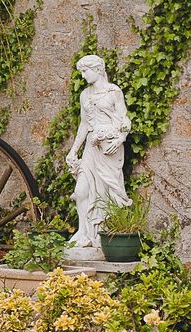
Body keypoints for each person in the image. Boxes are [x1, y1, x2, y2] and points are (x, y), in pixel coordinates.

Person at [66, 54, 132, 248]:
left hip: (109, 148)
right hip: (90, 147)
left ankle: (102, 236)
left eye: (85, 72)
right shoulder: (84, 95)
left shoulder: (113, 92)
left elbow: (124, 120)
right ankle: (83, 232)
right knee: (81, 191)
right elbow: (84, 125)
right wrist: (73, 150)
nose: (83, 76)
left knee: (107, 193)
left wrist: (120, 138)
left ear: (97, 70)